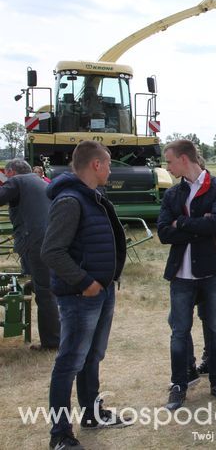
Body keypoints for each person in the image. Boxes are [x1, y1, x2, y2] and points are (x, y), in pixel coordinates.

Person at [41, 141, 130, 449]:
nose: (109, 170)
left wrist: (104, 282)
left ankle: (92, 414)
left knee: (92, 356)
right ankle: (60, 435)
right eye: (107, 165)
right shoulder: (70, 200)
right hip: (82, 296)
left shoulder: (93, 196)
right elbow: (52, 251)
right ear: (95, 165)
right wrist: (84, 282)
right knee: (70, 362)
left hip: (101, 292)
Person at [157, 140, 216, 411]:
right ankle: (179, 384)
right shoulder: (172, 194)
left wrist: (183, 223)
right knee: (179, 331)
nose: (166, 166)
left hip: (213, 272)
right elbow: (164, 233)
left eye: (169, 161)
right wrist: (197, 225)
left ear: (183, 159)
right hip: (181, 275)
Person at [0, 159, 59, 351]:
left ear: (11, 172)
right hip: (50, 239)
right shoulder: (39, 181)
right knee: (44, 285)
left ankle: (52, 342)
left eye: (6, 174)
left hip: (35, 241)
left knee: (45, 292)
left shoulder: (17, 181)